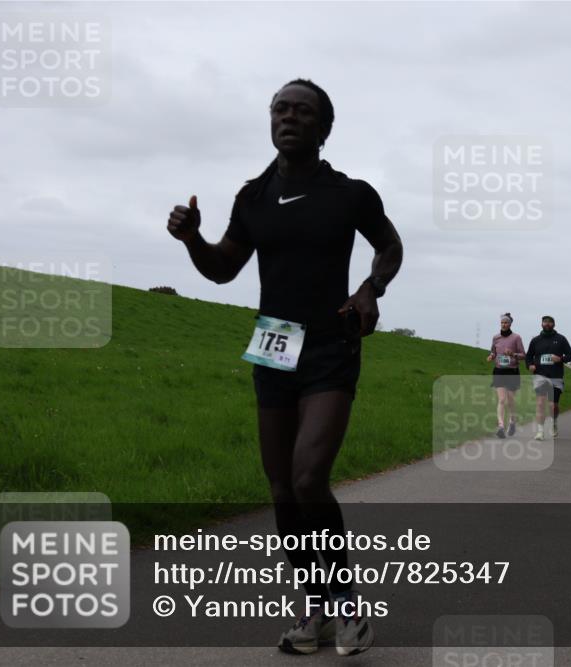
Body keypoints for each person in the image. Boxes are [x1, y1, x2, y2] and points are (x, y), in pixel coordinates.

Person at [166, 78, 403, 656]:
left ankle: (350, 611)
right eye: (279, 108)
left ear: (324, 128)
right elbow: (223, 269)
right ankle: (316, 610)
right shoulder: (251, 197)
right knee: (280, 489)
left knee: (306, 477)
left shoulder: (351, 194)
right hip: (274, 344)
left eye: (302, 110)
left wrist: (372, 289)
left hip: (330, 344)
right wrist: (193, 240)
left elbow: (390, 245)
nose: (288, 116)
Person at [525, 316, 571, 440]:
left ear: (554, 324)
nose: (547, 324)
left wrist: (560, 359)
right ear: (541, 324)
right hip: (540, 375)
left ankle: (554, 423)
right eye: (545, 322)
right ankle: (540, 431)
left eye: (549, 322)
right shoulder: (536, 340)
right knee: (540, 403)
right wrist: (529, 365)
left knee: (553, 406)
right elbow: (528, 356)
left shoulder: (561, 339)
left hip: (556, 376)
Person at [487, 313, 525, 438]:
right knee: (502, 400)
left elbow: (523, 355)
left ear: (510, 324)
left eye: (506, 322)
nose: (503, 324)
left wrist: (513, 354)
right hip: (499, 371)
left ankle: (512, 422)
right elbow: (493, 351)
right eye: (502, 322)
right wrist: (491, 356)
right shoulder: (496, 337)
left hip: (512, 371)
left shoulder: (516, 338)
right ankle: (501, 426)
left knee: (510, 401)